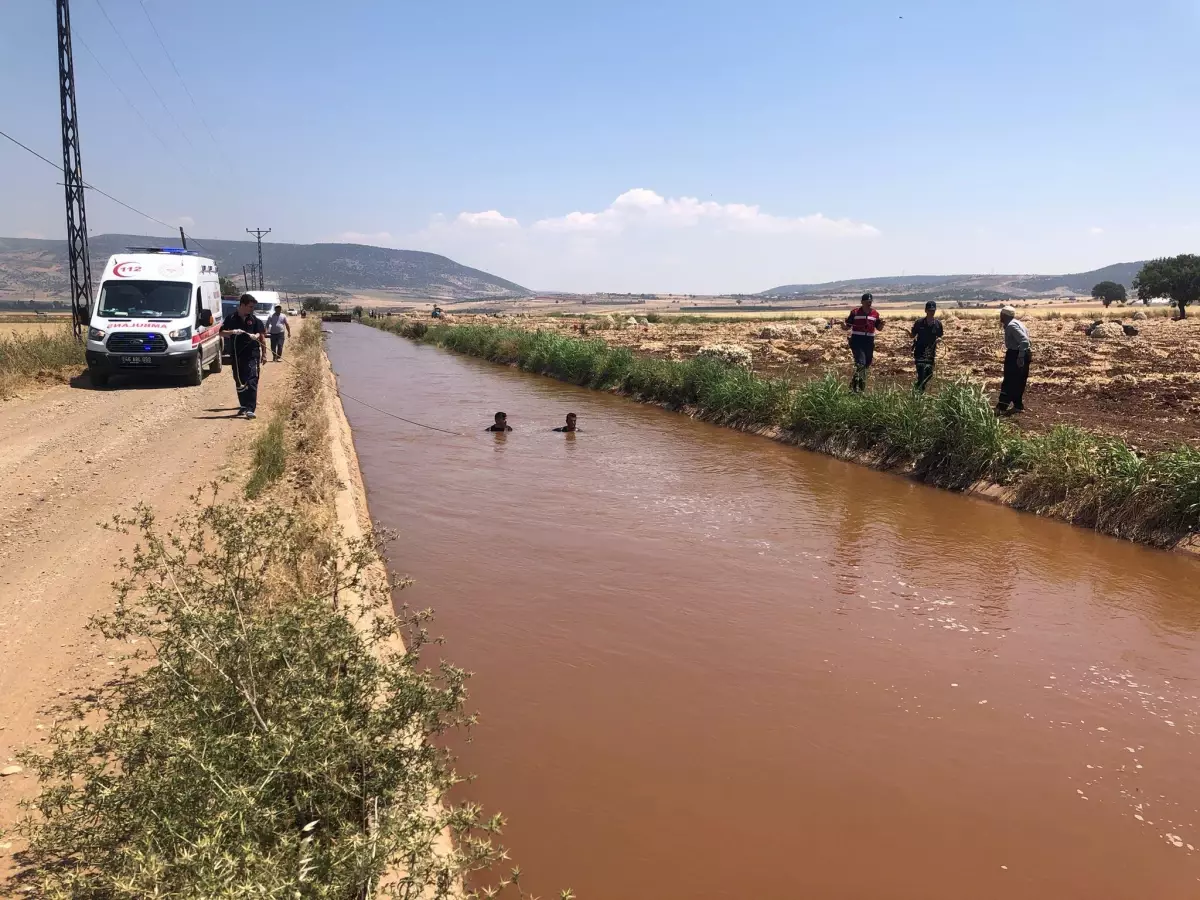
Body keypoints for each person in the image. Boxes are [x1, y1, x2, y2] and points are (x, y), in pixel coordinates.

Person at [220, 294, 267, 418]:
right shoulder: (231, 318)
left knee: (252, 379)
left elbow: (262, 335)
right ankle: (243, 405)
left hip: (252, 354)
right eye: (250, 307)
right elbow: (221, 333)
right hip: (236, 355)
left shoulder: (254, 320)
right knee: (239, 380)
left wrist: (264, 352)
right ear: (242, 305)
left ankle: (251, 408)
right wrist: (232, 332)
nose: (252, 309)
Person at [842, 292, 884, 392]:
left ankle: (853, 386)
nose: (868, 303)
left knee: (866, 365)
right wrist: (841, 324)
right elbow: (847, 327)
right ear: (862, 302)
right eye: (866, 302)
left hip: (869, 341)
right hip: (857, 340)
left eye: (870, 301)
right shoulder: (855, 312)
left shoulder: (875, 314)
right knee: (861, 363)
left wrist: (882, 324)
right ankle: (860, 389)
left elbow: (879, 328)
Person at [996, 305, 1032, 414]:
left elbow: (1024, 341)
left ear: (1004, 315)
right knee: (1019, 381)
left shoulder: (1011, 326)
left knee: (1009, 380)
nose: (999, 316)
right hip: (1025, 353)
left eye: (1001, 314)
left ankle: (1001, 408)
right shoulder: (1018, 323)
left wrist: (1020, 357)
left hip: (1016, 354)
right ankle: (1018, 406)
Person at [910, 300, 944, 392]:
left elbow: (940, 336)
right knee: (921, 373)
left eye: (933, 310)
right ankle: (919, 394)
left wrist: (939, 340)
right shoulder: (919, 322)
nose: (931, 312)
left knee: (929, 374)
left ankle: (917, 387)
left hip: (930, 352)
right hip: (919, 351)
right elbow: (912, 335)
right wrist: (908, 332)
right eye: (930, 310)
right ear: (926, 310)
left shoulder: (938, 324)